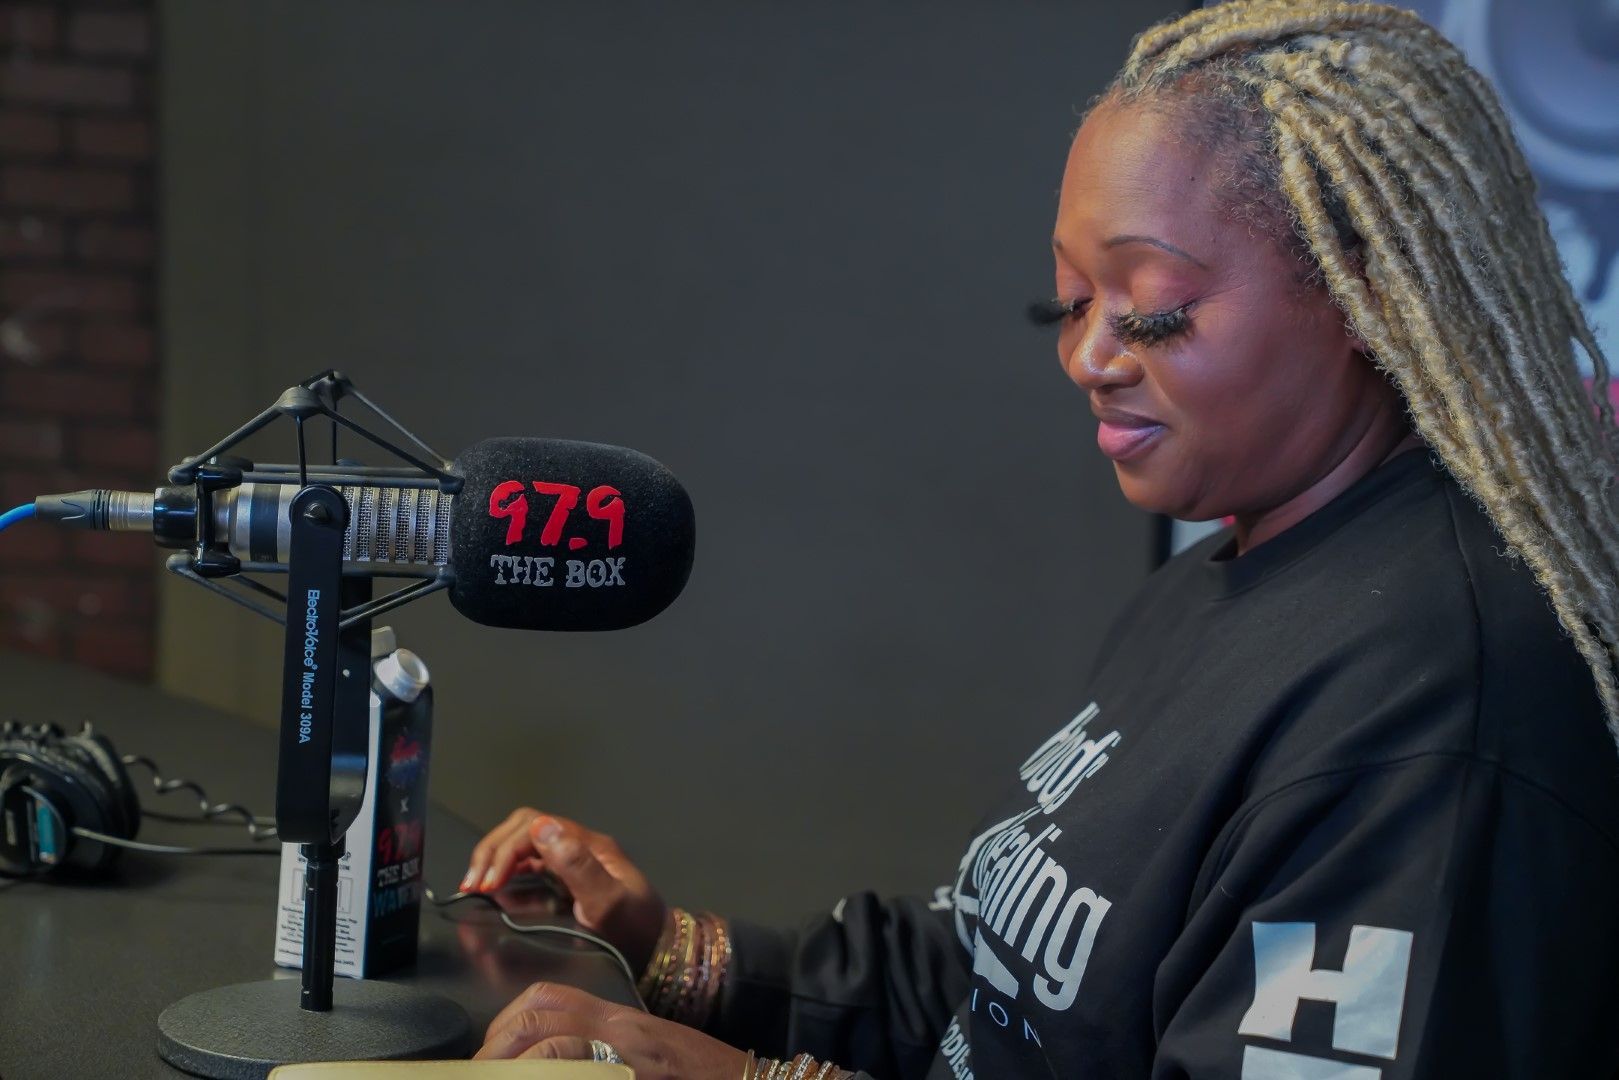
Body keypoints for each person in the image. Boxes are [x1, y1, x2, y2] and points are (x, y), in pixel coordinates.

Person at [464, 2, 1619, 1076]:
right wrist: (671, 951)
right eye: (1070, 305)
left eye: (1149, 304)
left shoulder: (1440, 717)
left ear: (1365, 282)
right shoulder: (1221, 581)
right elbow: (1006, 989)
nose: (1087, 357)